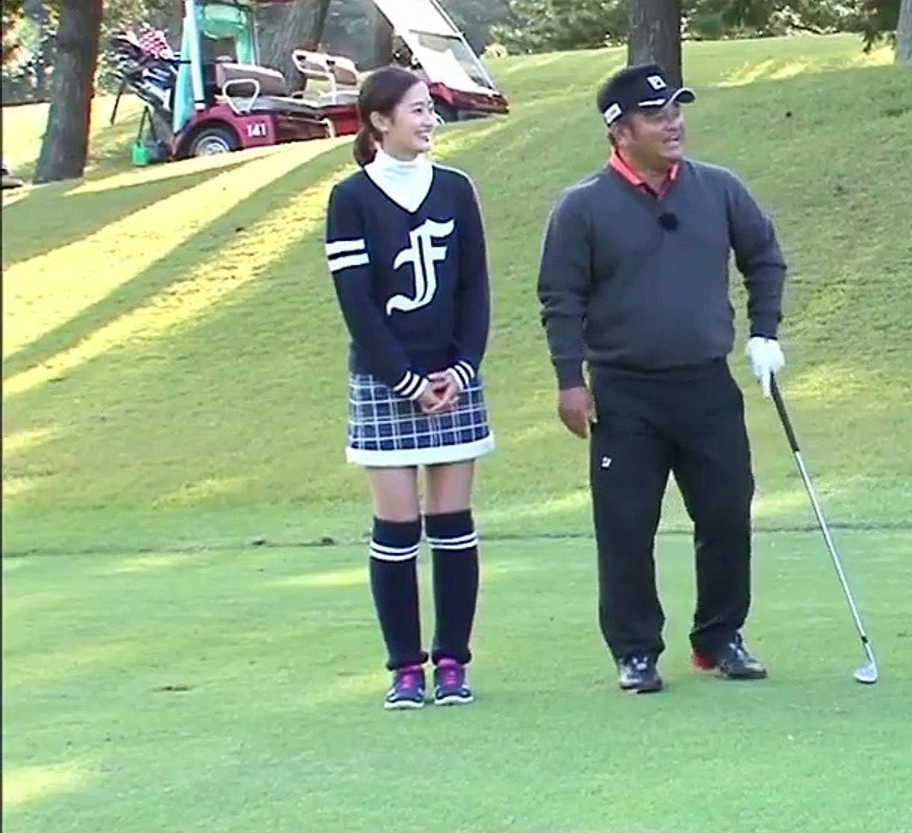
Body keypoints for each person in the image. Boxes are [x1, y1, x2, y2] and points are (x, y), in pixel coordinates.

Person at [535, 63, 789, 695]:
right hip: (624, 392)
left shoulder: (718, 188)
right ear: (620, 132)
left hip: (706, 385)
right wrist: (569, 379)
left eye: (676, 110)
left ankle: (719, 637)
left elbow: (763, 257)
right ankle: (634, 649)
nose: (673, 123)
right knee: (626, 525)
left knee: (726, 514)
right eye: (656, 116)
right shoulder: (582, 207)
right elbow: (560, 298)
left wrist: (764, 331)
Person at [322, 65, 494, 710]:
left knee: (453, 525)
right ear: (379, 121)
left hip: (453, 381)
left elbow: (474, 288)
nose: (429, 121)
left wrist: (462, 369)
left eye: (430, 109)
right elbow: (358, 305)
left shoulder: (456, 189)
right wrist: (406, 380)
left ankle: (452, 661)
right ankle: (404, 668)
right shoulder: (350, 199)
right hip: (386, 382)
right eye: (417, 110)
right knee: (397, 529)